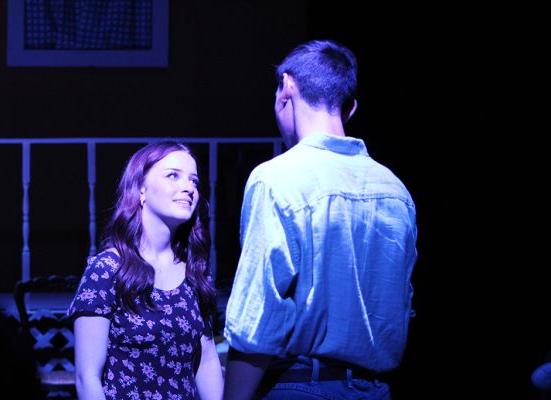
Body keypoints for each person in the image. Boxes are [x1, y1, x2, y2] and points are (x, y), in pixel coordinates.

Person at [222, 39, 418, 400]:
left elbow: (258, 321)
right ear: (351, 108)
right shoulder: (395, 191)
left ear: (287, 87)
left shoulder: (277, 178)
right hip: (376, 389)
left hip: (299, 386)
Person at [68, 141, 224, 400]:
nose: (188, 188)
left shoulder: (194, 271)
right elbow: (88, 377)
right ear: (141, 189)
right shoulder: (107, 270)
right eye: (173, 175)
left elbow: (206, 361)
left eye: (194, 181)